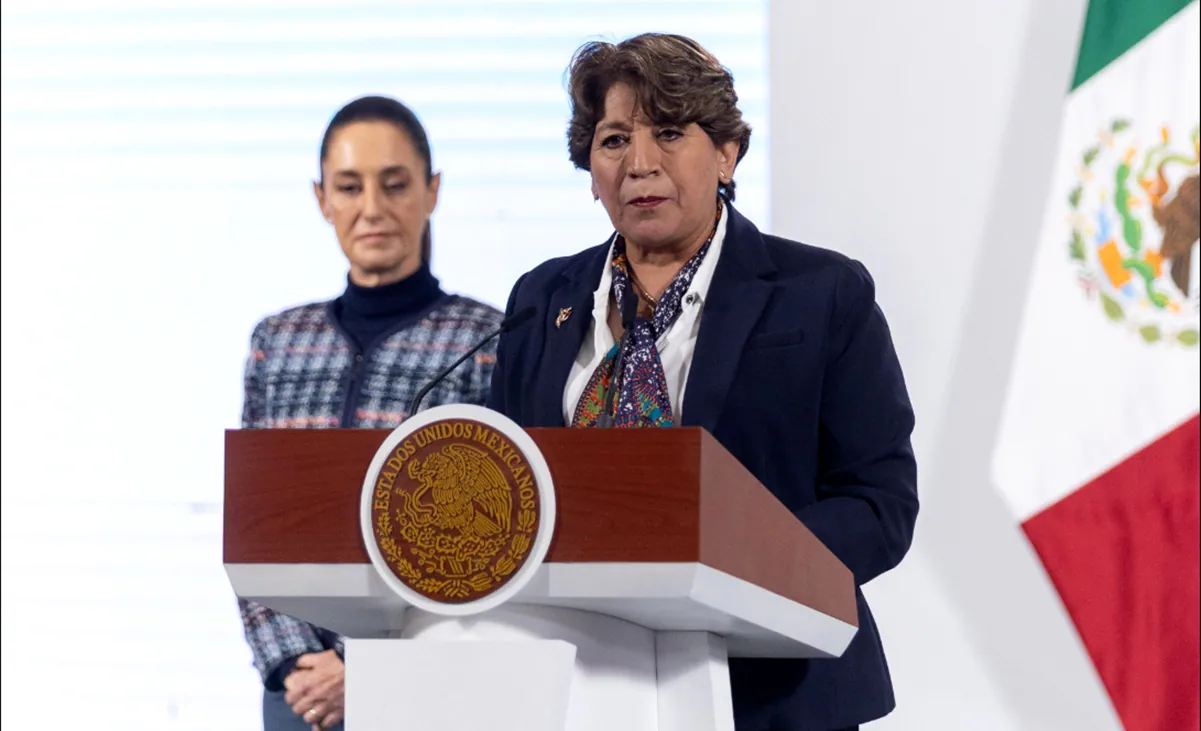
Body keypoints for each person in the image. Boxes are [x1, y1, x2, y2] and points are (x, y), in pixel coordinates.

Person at [486, 34, 918, 731]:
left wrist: (741, 565)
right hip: (577, 688)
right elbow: (503, 491)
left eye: (667, 132)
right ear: (588, 166)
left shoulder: (820, 293)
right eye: (614, 139)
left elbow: (879, 503)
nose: (640, 164)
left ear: (726, 151)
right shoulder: (541, 299)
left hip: (775, 689)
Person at [237, 95, 503, 730]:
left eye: (395, 184)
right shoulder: (278, 342)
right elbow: (251, 528)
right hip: (299, 698)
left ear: (432, 191)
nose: (373, 209)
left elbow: (492, 542)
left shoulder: (487, 340)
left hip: (431, 686)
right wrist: (299, 664)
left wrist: (371, 671)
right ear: (322, 198)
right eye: (350, 187)